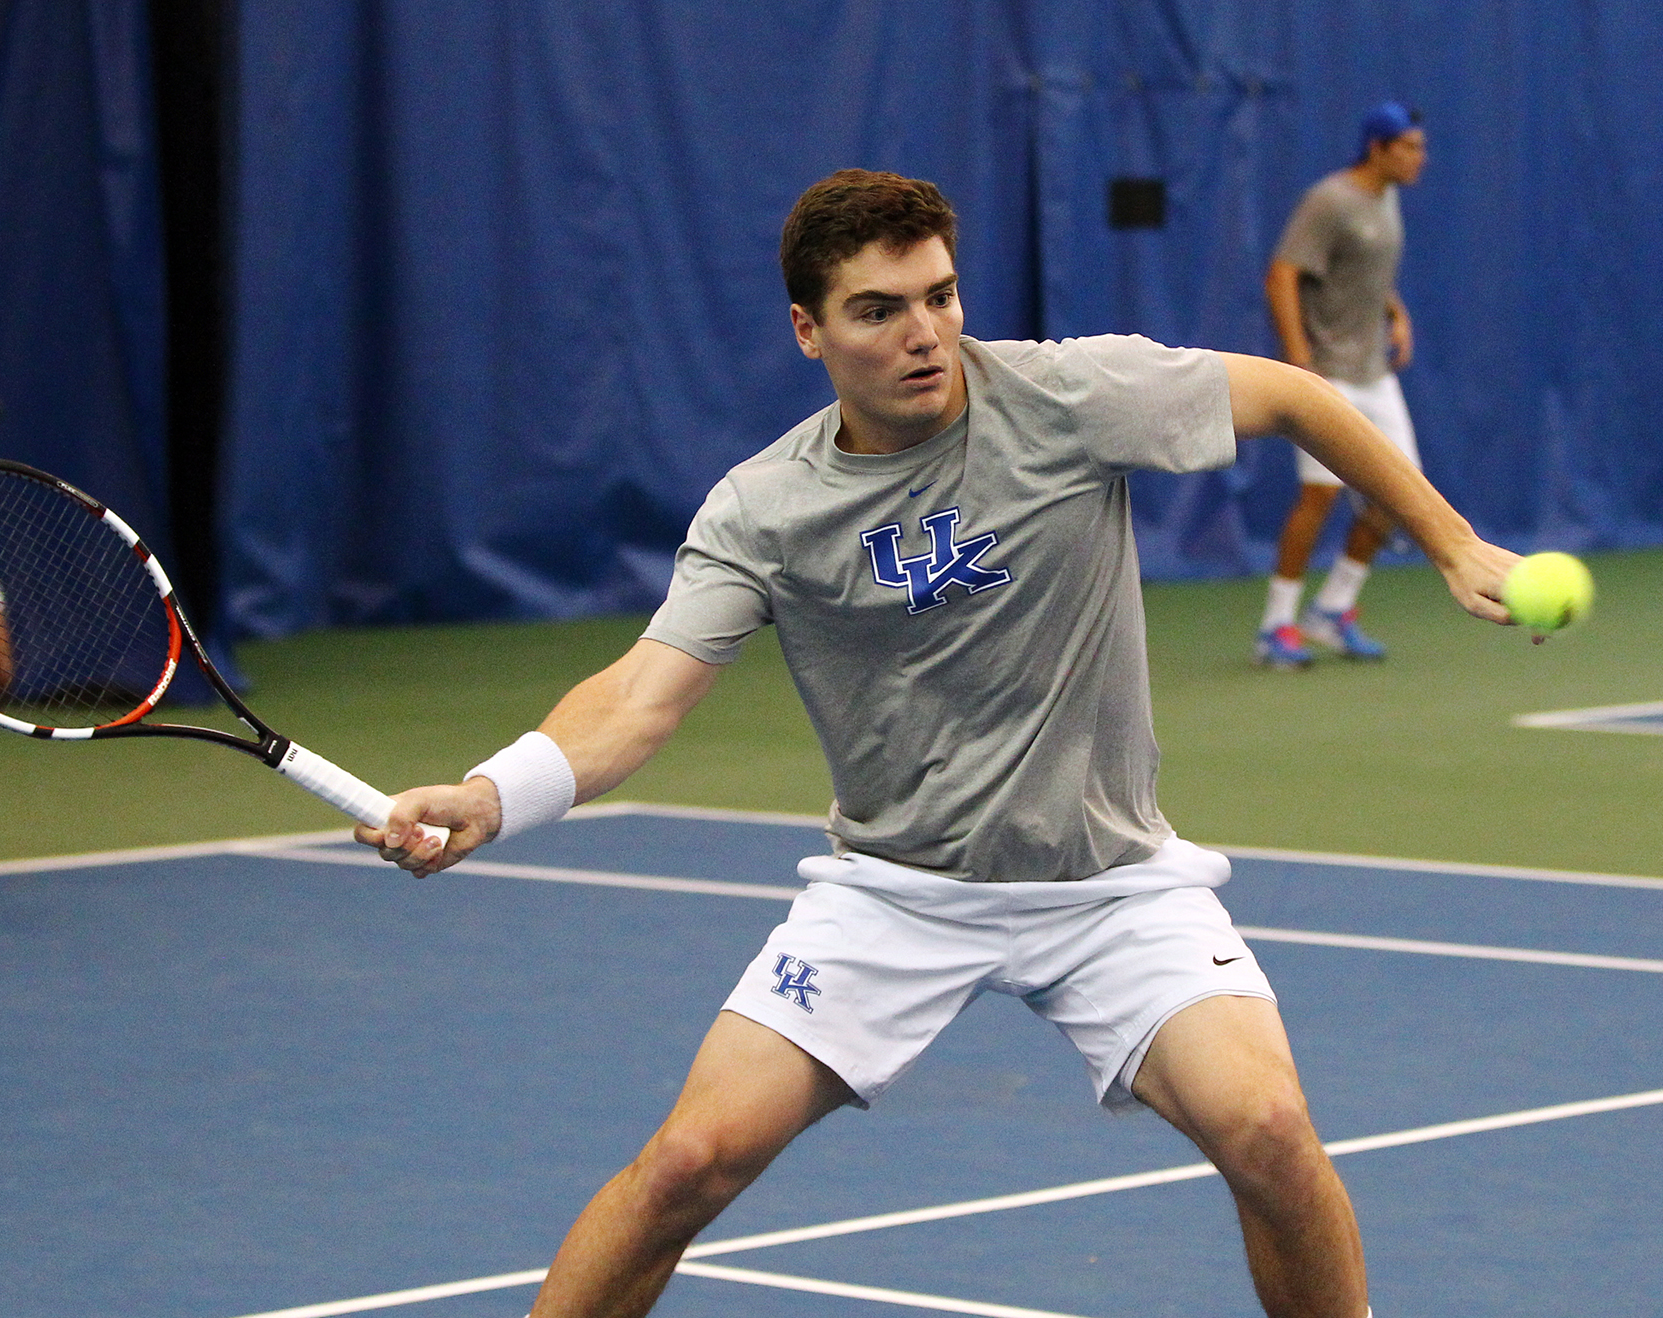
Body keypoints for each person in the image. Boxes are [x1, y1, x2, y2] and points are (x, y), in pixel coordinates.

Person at [361, 170, 1518, 1317]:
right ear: (807, 329)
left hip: (1109, 886)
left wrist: (1452, 543)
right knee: (685, 1165)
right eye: (878, 310)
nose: (925, 335)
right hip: (892, 895)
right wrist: (491, 792)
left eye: (940, 296)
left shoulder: (1069, 395)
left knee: (1267, 1131)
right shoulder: (762, 508)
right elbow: (638, 699)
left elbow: (1296, 396)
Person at [1256, 102, 1430, 669]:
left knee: (1401, 494)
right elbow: (1282, 273)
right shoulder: (1329, 199)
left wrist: (1395, 311)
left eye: (1420, 146)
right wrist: (1300, 361)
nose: (1419, 157)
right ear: (1377, 147)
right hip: (1327, 372)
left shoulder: (1388, 198)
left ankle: (1332, 610)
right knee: (1320, 495)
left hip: (1374, 373)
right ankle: (1276, 624)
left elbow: (1366, 269)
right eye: (1408, 147)